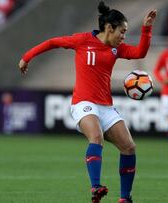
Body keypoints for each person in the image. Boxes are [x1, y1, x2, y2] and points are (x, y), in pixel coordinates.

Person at [18, 1, 156, 203]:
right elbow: (53, 42)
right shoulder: (82, 40)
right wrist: (26, 57)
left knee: (129, 147)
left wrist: (147, 28)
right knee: (96, 136)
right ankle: (96, 187)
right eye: (122, 31)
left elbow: (140, 53)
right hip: (83, 102)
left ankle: (125, 198)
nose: (124, 36)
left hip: (105, 106)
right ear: (109, 28)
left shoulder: (117, 49)